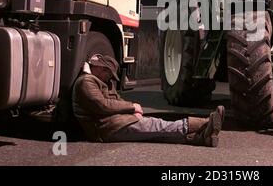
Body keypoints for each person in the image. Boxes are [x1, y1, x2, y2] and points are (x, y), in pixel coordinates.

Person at [72, 54, 225, 147]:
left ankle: (203, 138)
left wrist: (132, 114)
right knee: (158, 126)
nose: (110, 78)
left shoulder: (99, 81)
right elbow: (103, 105)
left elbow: (115, 100)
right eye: (109, 74)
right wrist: (132, 107)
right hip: (107, 129)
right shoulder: (86, 82)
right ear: (101, 69)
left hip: (115, 123)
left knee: (158, 132)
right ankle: (204, 123)